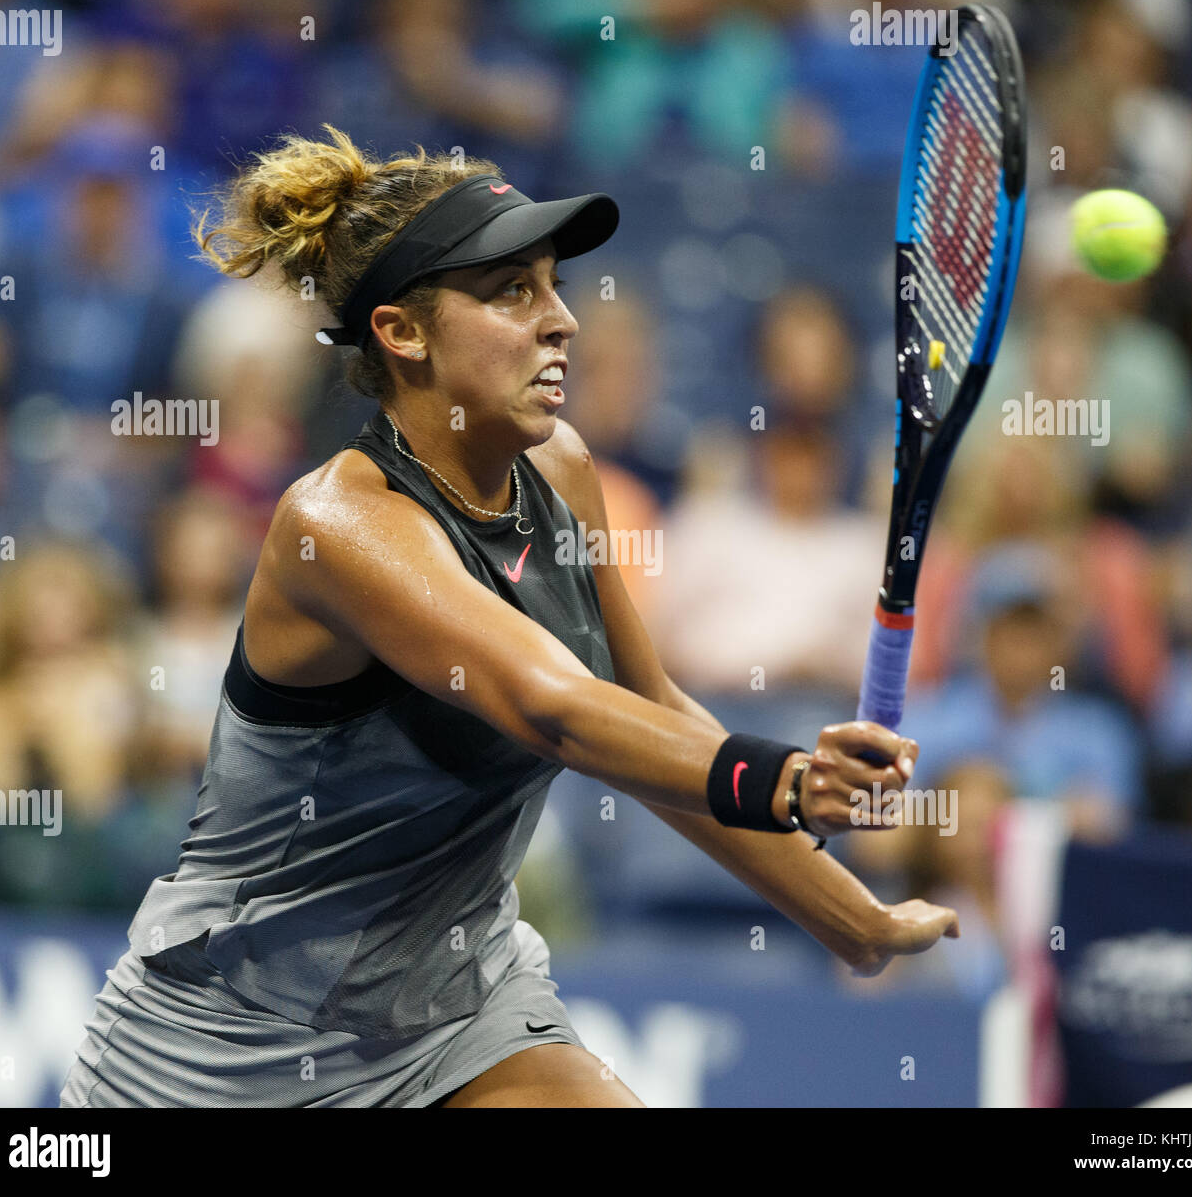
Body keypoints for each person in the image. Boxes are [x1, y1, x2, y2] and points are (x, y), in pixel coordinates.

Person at [59, 126, 957, 1109]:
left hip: (457, 1013)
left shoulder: (564, 471)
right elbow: (553, 709)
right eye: (512, 293)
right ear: (402, 332)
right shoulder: (337, 524)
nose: (563, 320)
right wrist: (782, 777)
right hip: (220, 1055)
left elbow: (640, 708)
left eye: (554, 285)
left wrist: (852, 919)